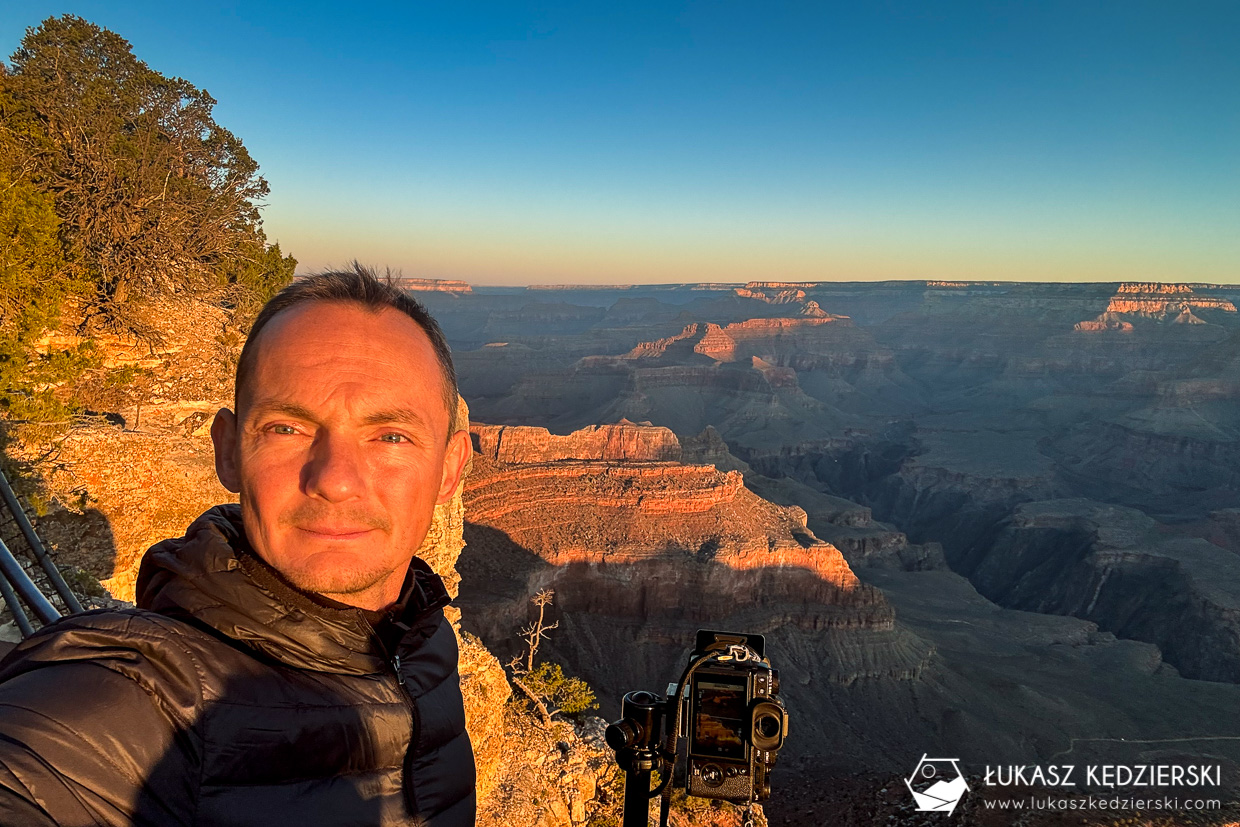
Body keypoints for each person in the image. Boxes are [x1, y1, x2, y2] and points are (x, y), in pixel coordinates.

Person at [0, 265, 476, 826]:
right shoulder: (122, 702)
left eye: (390, 436)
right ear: (227, 451)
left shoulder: (425, 644)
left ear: (451, 468)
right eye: (287, 428)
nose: (335, 479)